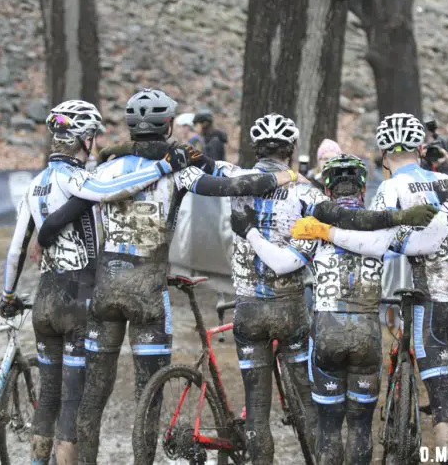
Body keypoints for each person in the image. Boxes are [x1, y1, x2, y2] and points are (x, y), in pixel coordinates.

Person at [35, 90, 302, 465]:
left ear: (131, 127)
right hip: (147, 291)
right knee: (150, 396)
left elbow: (62, 215)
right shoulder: (177, 167)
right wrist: (288, 174)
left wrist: (41, 238)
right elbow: (233, 186)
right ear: (170, 125)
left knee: (93, 397)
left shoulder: (105, 169)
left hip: (105, 290)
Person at [208, 113, 438, 465]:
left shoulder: (312, 228)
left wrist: (252, 231)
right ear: (363, 189)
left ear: (327, 190)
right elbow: (414, 245)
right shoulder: (374, 227)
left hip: (314, 326)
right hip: (364, 332)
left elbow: (284, 263)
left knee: (318, 424)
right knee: (359, 427)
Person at [0, 100, 192, 465]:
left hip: (45, 298)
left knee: (47, 398)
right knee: (71, 405)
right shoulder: (80, 179)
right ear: (85, 139)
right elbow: (115, 190)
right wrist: (165, 166)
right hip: (80, 298)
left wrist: (9, 293)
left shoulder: (34, 185)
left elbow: (14, 252)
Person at [306, 113, 448, 462]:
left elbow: (375, 244)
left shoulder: (391, 188)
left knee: (442, 404)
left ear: (383, 154)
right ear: (422, 149)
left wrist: (328, 232)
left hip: (433, 301)